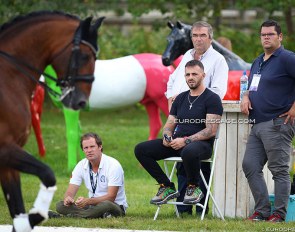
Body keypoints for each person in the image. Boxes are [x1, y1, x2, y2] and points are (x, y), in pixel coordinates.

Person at [135, 60, 223, 208]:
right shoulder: (180, 98)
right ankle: (166, 186)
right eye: (187, 74)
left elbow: (211, 130)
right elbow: (169, 124)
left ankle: (193, 188)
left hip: (201, 146)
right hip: (178, 143)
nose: (190, 77)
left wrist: (186, 140)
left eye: (194, 74)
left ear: (203, 75)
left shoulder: (212, 98)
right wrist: (167, 136)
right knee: (141, 149)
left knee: (189, 151)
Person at [165, 21, 228, 215]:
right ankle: (183, 207)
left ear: (210, 38)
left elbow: (218, 91)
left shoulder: (218, 60)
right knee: (182, 163)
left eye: (202, 35)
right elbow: (173, 80)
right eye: (194, 35)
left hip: (202, 119)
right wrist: (171, 98)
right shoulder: (186, 56)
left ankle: (201, 207)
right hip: (181, 117)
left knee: (197, 161)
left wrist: (191, 100)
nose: (198, 39)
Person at [241, 20, 295, 222]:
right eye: (263, 34)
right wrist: (246, 96)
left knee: (279, 170)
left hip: (278, 123)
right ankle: (262, 211)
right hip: (257, 124)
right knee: (250, 166)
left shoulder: (288, 58)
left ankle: (279, 215)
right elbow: (252, 86)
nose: (266, 37)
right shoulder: (258, 61)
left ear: (280, 37)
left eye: (270, 34)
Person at [51, 132, 128, 218]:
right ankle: (98, 215)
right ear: (83, 150)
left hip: (114, 205)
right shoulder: (81, 165)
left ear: (100, 147)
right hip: (92, 205)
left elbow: (111, 197)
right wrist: (68, 199)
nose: (89, 150)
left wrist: (88, 201)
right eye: (86, 148)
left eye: (92, 147)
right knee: (60, 205)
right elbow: (70, 192)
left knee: (106, 205)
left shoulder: (113, 165)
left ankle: (68, 216)